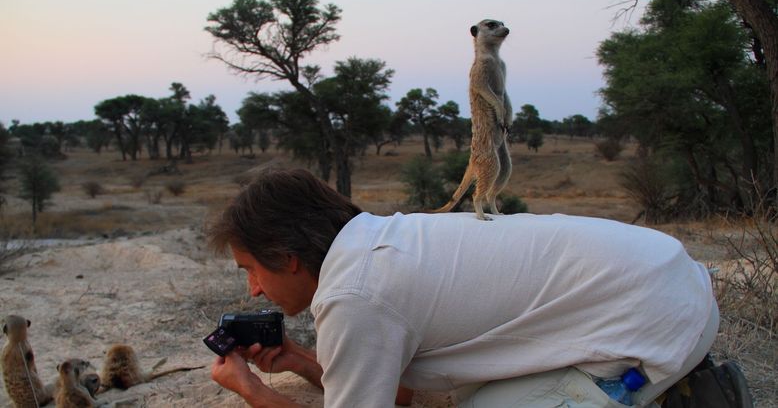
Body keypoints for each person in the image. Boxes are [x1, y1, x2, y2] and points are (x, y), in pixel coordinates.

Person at [206, 168, 717, 408]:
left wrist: (250, 391)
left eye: (250, 268)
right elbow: (401, 393)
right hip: (670, 280)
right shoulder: (379, 242)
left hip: (658, 323)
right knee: (465, 392)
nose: (253, 289)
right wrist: (298, 361)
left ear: (287, 258)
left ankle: (687, 397)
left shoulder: (354, 293)